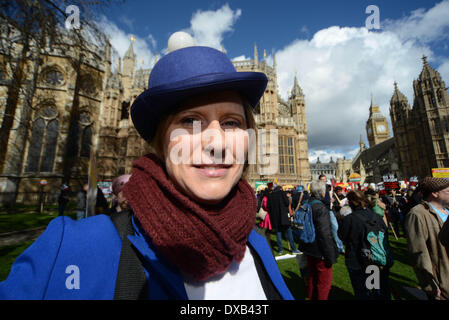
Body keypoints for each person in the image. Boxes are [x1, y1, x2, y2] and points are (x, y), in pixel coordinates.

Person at [0, 39, 294, 300]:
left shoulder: (256, 246)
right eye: (191, 121)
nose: (217, 142)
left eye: (231, 122)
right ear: (159, 142)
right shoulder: (70, 251)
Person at [338, 190, 392, 300]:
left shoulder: (350, 219)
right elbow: (384, 233)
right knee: (376, 289)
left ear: (352, 202)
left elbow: (342, 236)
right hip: (374, 258)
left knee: (362, 292)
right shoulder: (376, 216)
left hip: (357, 261)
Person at [405, 177, 449, 300]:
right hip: (442, 282)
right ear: (435, 193)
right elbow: (418, 252)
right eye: (448, 191)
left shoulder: (447, 211)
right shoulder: (418, 214)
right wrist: (429, 283)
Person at [299, 180, 338, 300]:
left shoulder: (305, 204)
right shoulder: (321, 208)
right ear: (322, 193)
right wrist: (330, 255)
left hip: (308, 247)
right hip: (320, 251)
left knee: (312, 278)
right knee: (324, 284)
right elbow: (325, 234)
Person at [268, 184, 300, 255]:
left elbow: (268, 206)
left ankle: (280, 250)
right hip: (283, 216)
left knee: (278, 233)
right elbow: (286, 203)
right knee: (289, 232)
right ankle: (294, 249)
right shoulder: (282, 193)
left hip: (275, 218)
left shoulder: (271, 195)